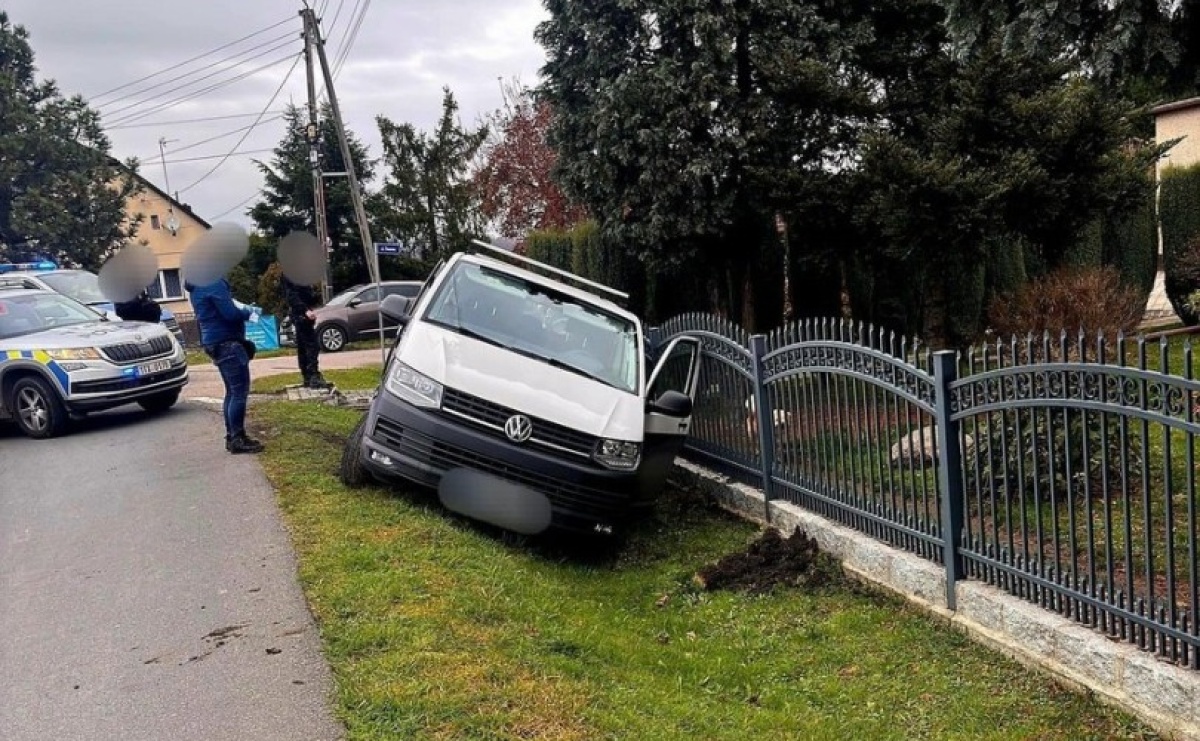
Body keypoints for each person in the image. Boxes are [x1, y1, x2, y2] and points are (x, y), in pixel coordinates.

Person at [185, 277, 263, 454]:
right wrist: (249, 311)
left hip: (215, 342)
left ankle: (232, 436)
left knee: (231, 391)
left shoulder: (197, 284)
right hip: (227, 342)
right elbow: (230, 313)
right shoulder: (212, 282)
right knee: (239, 392)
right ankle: (237, 438)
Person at [282, 275, 331, 389]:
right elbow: (292, 295)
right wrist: (305, 310)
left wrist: (313, 298)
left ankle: (307, 376)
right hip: (301, 314)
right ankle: (312, 376)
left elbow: (302, 294)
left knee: (303, 346)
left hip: (301, 312)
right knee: (311, 346)